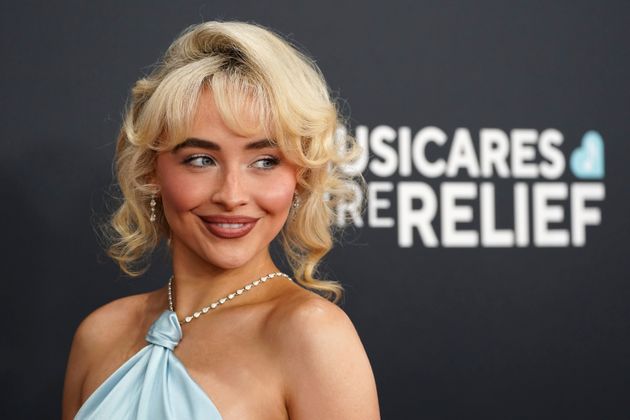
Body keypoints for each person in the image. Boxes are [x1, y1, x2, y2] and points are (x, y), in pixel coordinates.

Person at [61, 20, 380, 419]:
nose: (231, 195)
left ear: (300, 177)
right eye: (201, 160)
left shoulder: (311, 335)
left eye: (265, 161)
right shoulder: (99, 334)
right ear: (150, 171)